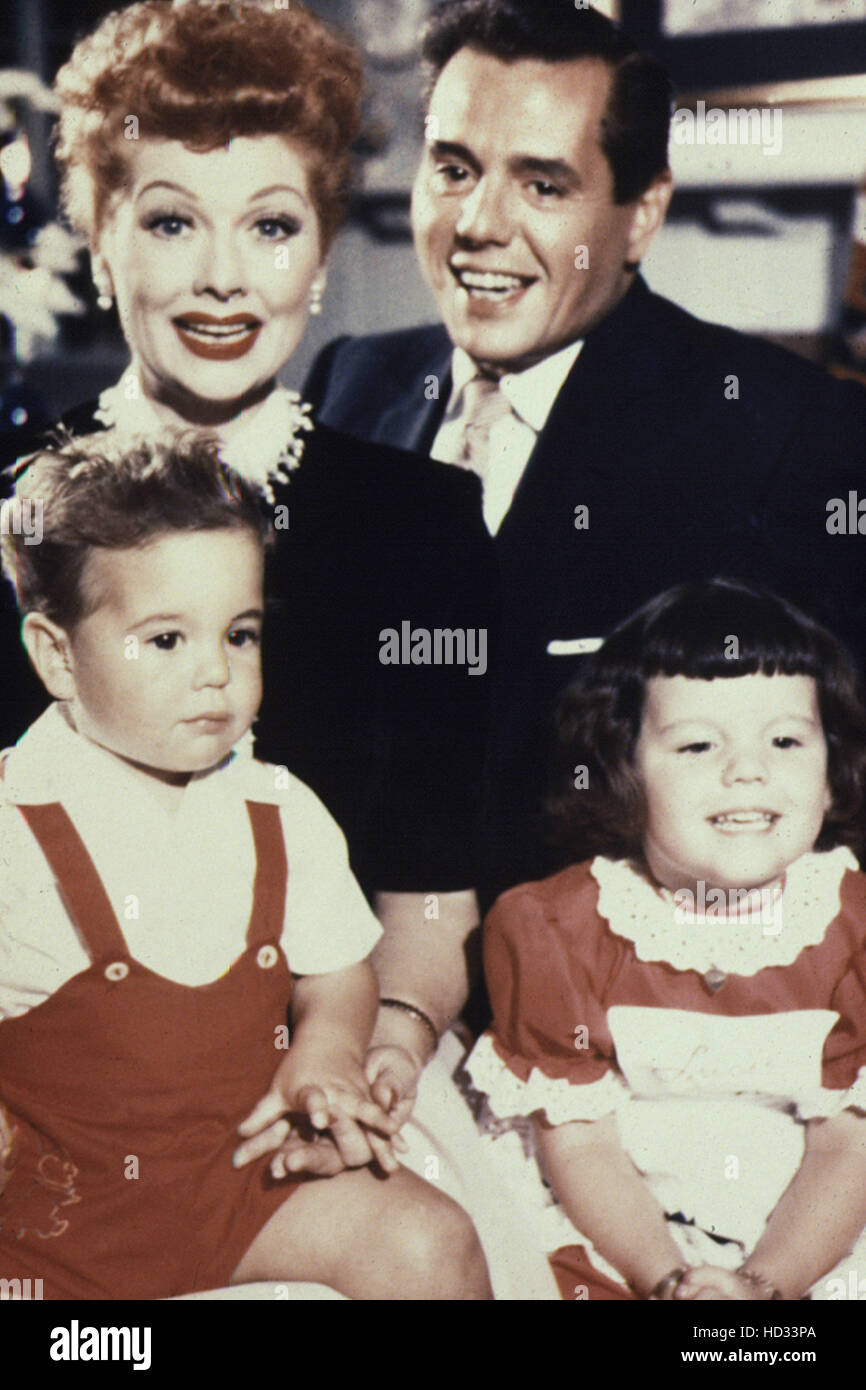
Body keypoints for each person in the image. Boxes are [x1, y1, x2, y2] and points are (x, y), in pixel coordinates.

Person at [0, 0, 506, 1212]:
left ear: (321, 255)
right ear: (99, 240)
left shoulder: (422, 526)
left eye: (270, 227)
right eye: (170, 222)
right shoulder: (12, 515)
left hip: (351, 1052)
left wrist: (375, 1051)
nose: (224, 277)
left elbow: (430, 890)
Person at [306, 0, 866, 913]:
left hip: (618, 1009)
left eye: (543, 185)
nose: (479, 224)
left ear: (640, 215)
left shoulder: (786, 431)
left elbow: (834, 793)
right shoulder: (352, 382)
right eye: (453, 169)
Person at [0, 433, 492, 1301]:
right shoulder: (15, 823)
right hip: (58, 1227)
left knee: (430, 1240)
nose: (215, 675)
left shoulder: (278, 808)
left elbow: (338, 972)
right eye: (165, 641)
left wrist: (328, 1052)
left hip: (243, 1182)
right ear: (56, 655)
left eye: (239, 633)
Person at [465, 579, 866, 1300]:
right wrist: (670, 1279)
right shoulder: (557, 928)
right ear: (624, 772)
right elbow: (580, 1142)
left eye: (784, 739)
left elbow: (850, 1146)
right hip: (616, 1217)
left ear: (832, 774)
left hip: (813, 1222)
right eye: (697, 744)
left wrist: (761, 1285)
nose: (748, 769)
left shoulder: (855, 929)